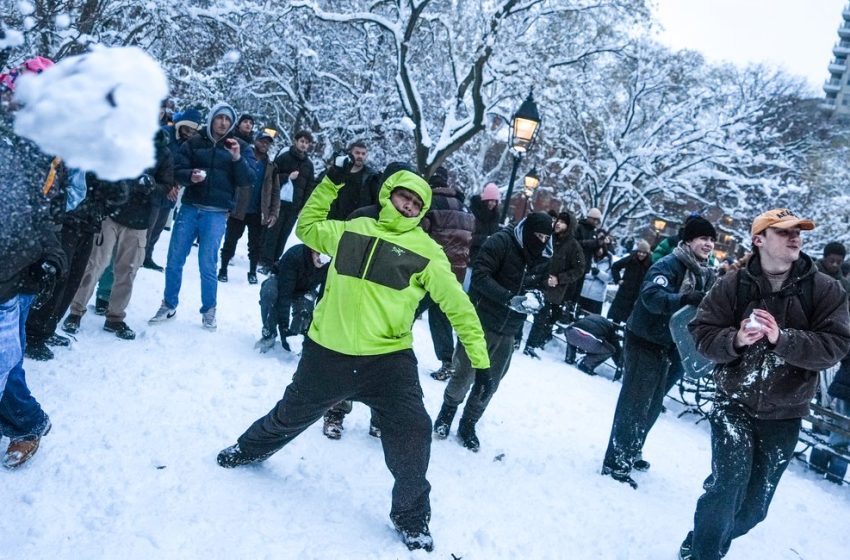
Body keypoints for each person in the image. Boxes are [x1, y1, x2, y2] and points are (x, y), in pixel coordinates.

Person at [216, 160, 490, 552]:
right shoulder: (352, 230)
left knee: (413, 432)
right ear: (388, 195)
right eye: (403, 196)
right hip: (328, 352)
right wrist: (328, 185)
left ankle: (411, 518)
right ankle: (248, 449)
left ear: (422, 211)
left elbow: (458, 307)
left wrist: (479, 362)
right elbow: (307, 228)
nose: (408, 205)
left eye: (416, 202)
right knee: (289, 415)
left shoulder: (428, 252)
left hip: (388, 360)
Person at [680, 209, 850, 560]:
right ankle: (702, 554)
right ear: (759, 240)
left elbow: (836, 346)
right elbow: (701, 332)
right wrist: (737, 340)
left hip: (785, 414)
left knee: (754, 509)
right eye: (784, 231)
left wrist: (782, 339)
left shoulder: (825, 289)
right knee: (725, 490)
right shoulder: (734, 284)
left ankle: (702, 540)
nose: (795, 237)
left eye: (799, 231)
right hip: (734, 404)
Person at [601, 216, 717, 488]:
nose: (709, 244)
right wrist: (683, 299)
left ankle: (632, 449)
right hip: (645, 339)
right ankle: (616, 461)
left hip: (673, 345)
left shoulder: (704, 272)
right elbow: (651, 298)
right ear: (688, 240)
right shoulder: (668, 265)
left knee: (653, 404)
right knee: (635, 403)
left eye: (711, 240)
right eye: (703, 238)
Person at [433, 212, 552, 451]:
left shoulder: (544, 255)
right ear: (527, 230)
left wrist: (538, 298)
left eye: (545, 237)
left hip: (509, 330)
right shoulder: (502, 242)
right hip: (480, 321)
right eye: (537, 235)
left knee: (491, 382)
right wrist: (508, 298)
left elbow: (541, 285)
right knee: (464, 374)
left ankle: (469, 423)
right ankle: (446, 414)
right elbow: (479, 276)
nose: (540, 241)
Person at [0, 55, 67, 468]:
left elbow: (49, 213)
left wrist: (52, 260)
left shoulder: (47, 148)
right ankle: (28, 421)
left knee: (5, 361)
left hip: (12, 273)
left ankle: (28, 423)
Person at [148, 103, 254, 330]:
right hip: (190, 208)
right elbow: (176, 169)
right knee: (175, 258)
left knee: (208, 264)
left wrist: (236, 158)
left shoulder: (240, 147)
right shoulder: (194, 142)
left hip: (216, 214)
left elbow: (247, 180)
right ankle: (169, 304)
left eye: (227, 120)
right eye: (219, 118)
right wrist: (190, 176)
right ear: (212, 119)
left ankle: (209, 310)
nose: (223, 123)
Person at [64, 132, 174, 340]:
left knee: (128, 270)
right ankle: (75, 311)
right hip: (111, 213)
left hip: (140, 219)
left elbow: (167, 184)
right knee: (94, 264)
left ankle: (115, 317)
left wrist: (151, 185)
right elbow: (100, 171)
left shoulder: (162, 150)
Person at [419, 166, 476, 380]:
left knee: (404, 314)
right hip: (455, 275)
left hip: (430, 272)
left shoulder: (429, 204)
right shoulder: (465, 209)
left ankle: (385, 354)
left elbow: (420, 235)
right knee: (441, 317)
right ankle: (447, 362)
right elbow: (470, 238)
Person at [143, 108, 202, 271]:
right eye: (187, 129)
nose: (189, 133)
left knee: (159, 226)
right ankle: (138, 255)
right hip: (156, 186)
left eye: (193, 131)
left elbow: (186, 166)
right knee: (148, 224)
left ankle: (147, 255)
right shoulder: (165, 134)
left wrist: (177, 184)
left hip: (172, 190)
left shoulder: (191, 144)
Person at [218, 131, 280, 284]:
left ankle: (252, 271)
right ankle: (223, 268)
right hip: (238, 207)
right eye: (262, 141)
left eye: (268, 143)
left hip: (258, 211)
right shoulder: (243, 157)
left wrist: (274, 212)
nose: (265, 145)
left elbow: (275, 191)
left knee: (256, 245)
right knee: (230, 240)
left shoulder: (271, 166)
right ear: (256, 141)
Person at [523, 211, 585, 358]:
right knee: (523, 308)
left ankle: (531, 345)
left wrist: (560, 278)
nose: (558, 223)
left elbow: (579, 268)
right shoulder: (548, 236)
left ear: (569, 226)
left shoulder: (573, 246)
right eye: (558, 220)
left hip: (552, 287)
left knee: (541, 318)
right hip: (536, 279)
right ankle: (517, 339)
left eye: (563, 222)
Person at [258, 130, 316, 274]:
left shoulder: (309, 165)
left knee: (284, 234)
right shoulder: (284, 156)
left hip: (295, 206)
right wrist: (287, 177)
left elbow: (309, 187)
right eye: (302, 141)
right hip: (279, 203)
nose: (304, 145)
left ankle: (276, 261)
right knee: (273, 232)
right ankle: (265, 261)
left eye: (307, 143)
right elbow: (271, 175)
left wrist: (304, 206)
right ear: (295, 141)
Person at [255, 244, 328, 354]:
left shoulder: (330, 264)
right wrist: (284, 329)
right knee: (270, 294)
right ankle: (269, 333)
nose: (320, 260)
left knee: (305, 309)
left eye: (325, 256)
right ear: (312, 250)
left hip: (305, 289)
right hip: (281, 282)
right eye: (318, 254)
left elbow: (324, 297)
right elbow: (285, 295)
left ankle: (296, 339)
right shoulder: (295, 256)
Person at [323, 140, 380, 220]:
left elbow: (376, 203)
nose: (360, 156)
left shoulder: (371, 177)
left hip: (358, 224)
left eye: (363, 154)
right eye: (357, 153)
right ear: (350, 154)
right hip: (334, 222)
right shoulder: (338, 172)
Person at [606, 239, 652, 324]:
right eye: (640, 252)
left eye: (644, 253)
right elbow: (615, 266)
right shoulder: (631, 258)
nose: (641, 254)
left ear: (647, 253)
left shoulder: (650, 263)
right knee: (617, 317)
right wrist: (618, 280)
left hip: (637, 295)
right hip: (625, 292)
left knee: (631, 320)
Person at [469, 182, 502, 265]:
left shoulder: (495, 217)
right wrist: (485, 239)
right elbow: (468, 237)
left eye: (495, 201)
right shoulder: (474, 213)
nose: (493, 204)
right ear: (485, 200)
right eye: (491, 200)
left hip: (485, 259)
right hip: (470, 256)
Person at [578, 245, 613, 315]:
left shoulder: (609, 261)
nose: (599, 251)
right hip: (583, 293)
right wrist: (593, 276)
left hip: (597, 297)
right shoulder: (588, 257)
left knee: (591, 320)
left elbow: (609, 279)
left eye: (601, 248)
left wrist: (599, 273)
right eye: (597, 248)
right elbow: (580, 273)